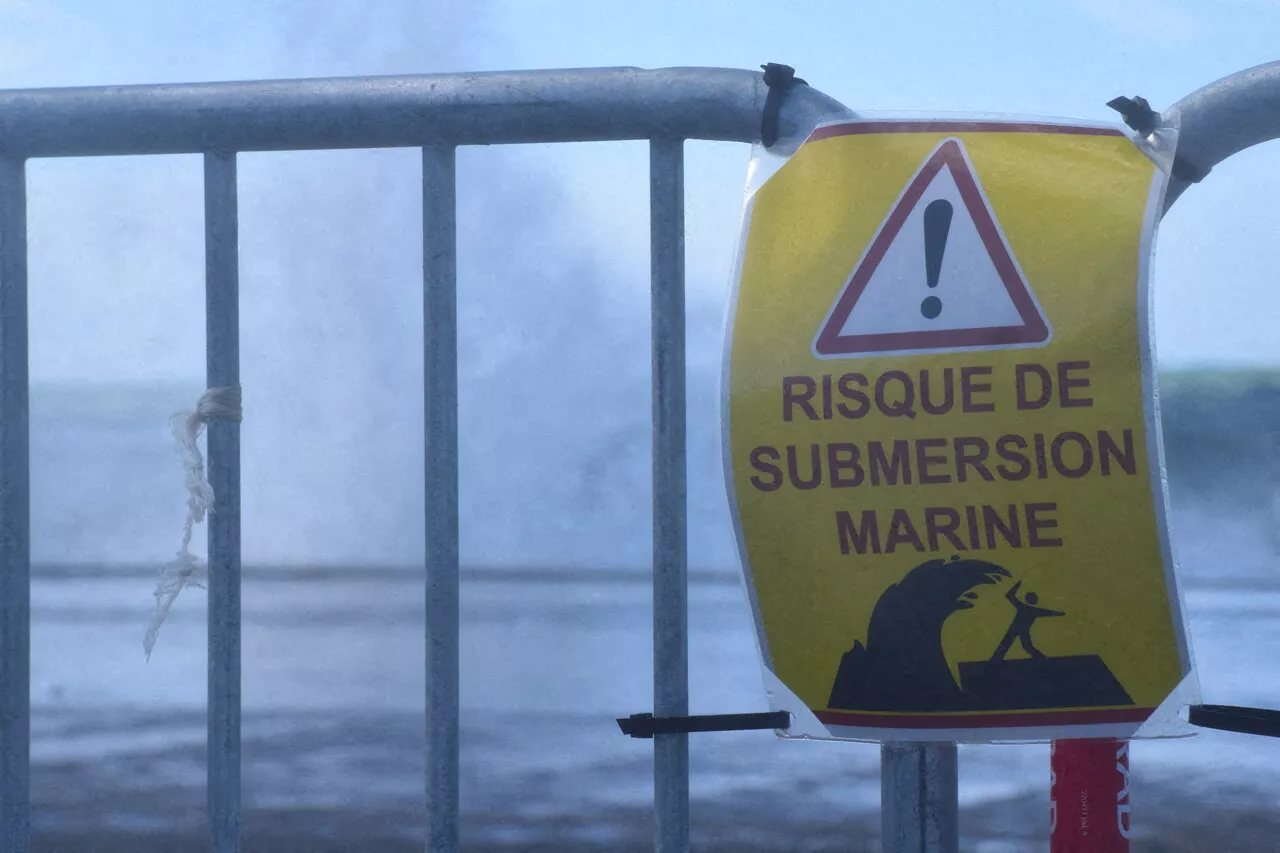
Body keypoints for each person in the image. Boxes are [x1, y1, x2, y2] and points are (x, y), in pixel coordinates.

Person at [989, 580, 1063, 663]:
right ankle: (1041, 658)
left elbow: (1009, 595)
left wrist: (1017, 585)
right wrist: (1017, 585)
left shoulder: (1027, 608)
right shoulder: (1028, 608)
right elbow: (1009, 595)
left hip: (1019, 630)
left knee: (1021, 645)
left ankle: (1041, 658)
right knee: (1020, 645)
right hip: (1017, 629)